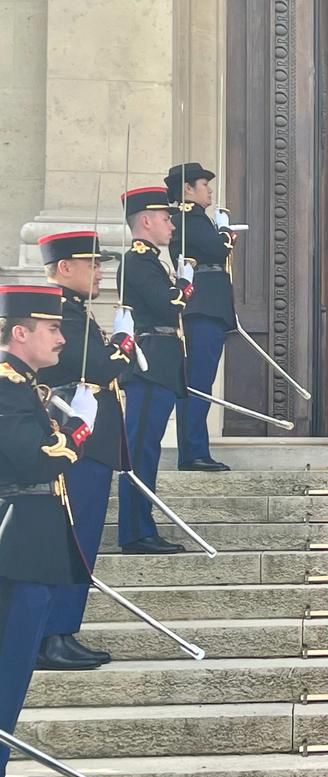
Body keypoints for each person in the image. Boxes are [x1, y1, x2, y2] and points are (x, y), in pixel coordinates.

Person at [0, 284, 97, 777]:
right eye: (52, 329)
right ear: (21, 333)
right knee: (4, 680)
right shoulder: (7, 387)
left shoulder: (25, 385)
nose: (62, 339)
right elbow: (33, 458)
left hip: (29, 548)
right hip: (16, 548)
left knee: (10, 685)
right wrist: (76, 437)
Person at [35, 231, 136, 670]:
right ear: (64, 268)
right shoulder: (63, 314)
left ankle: (63, 630)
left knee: (84, 541)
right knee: (72, 540)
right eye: (91, 264)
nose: (99, 271)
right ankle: (52, 634)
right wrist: (120, 345)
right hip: (80, 444)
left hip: (94, 442)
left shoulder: (75, 311)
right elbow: (96, 365)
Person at [116, 186, 192, 554]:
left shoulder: (151, 261)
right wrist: (184, 286)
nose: (172, 226)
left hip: (161, 364)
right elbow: (167, 307)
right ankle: (134, 531)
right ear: (145, 221)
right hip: (148, 364)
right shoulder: (137, 261)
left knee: (147, 449)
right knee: (140, 449)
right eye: (165, 219)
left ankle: (141, 525)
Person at [166, 162, 236, 472]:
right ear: (187, 190)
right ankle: (193, 451)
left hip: (208, 305)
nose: (209, 191)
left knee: (200, 383)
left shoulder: (194, 219)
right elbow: (217, 250)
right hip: (202, 307)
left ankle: (196, 449)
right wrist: (224, 233)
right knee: (197, 383)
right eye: (204, 185)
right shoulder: (188, 219)